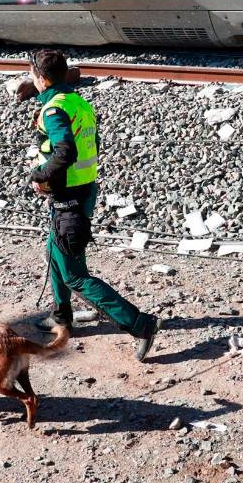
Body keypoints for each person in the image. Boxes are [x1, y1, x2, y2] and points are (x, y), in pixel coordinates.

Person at [17, 50, 160, 361]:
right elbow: (88, 147)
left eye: (31, 75)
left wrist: (39, 175)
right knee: (55, 252)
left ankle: (140, 324)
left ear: (41, 80)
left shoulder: (54, 110)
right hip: (82, 190)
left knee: (74, 274)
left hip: (69, 197)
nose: (30, 80)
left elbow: (65, 151)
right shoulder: (78, 102)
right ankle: (60, 317)